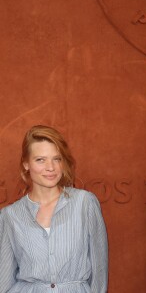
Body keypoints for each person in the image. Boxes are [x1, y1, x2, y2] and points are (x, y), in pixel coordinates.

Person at [0, 125, 108, 292]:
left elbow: (99, 269)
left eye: (57, 159)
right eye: (40, 160)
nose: (51, 167)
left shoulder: (84, 203)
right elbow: (4, 280)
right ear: (26, 164)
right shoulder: (10, 215)